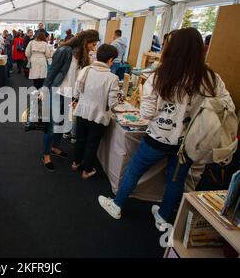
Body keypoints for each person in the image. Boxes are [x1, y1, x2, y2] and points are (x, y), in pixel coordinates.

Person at [98, 28, 235, 230]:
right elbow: (226, 105)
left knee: (134, 171)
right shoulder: (210, 78)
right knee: (175, 180)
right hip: (189, 142)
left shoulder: (160, 76)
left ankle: (117, 204)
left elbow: (147, 114)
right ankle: (163, 217)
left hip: (157, 138)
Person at [41, 29, 100, 172]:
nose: (94, 47)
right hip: (57, 91)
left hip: (70, 95)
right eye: (93, 44)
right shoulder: (65, 51)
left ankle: (55, 147)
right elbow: (52, 71)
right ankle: (46, 155)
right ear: (86, 42)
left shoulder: (84, 56)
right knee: (51, 125)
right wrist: (44, 89)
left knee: (63, 123)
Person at [71, 44, 119, 180]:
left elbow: (76, 91)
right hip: (98, 115)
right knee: (92, 144)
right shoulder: (112, 78)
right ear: (110, 60)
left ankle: (76, 163)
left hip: (82, 111)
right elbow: (112, 103)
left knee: (80, 139)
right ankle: (86, 171)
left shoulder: (86, 69)